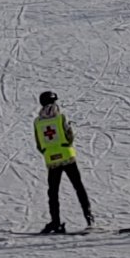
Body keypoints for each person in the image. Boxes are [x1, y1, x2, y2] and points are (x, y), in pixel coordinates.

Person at [31, 90, 92, 234]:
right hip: (67, 156)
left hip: (52, 160)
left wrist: (49, 151)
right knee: (78, 187)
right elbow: (70, 135)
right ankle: (89, 219)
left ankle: (56, 222)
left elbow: (39, 144)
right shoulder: (60, 117)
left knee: (53, 192)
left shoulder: (38, 122)